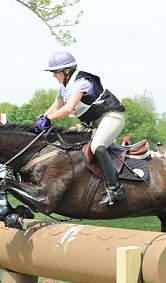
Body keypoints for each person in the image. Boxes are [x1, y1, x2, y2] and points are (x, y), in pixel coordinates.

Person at [35, 51, 126, 206]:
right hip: (97, 122)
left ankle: (115, 190)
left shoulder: (81, 82)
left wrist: (48, 119)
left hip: (112, 117)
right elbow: (56, 105)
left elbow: (68, 109)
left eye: (55, 72)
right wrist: (40, 119)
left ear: (67, 71)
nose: (53, 76)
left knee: (98, 146)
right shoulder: (64, 87)